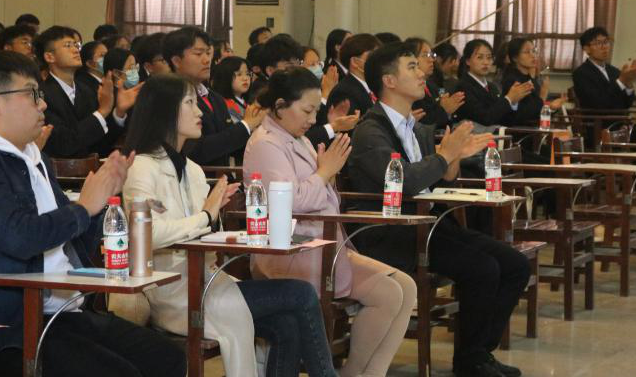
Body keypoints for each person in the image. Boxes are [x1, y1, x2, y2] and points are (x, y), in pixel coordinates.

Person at [0, 51, 185, 377]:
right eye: (32, 94)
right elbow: (19, 237)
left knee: (166, 357)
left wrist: (102, 204)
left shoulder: (31, 156)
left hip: (58, 310)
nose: (42, 105)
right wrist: (83, 207)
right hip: (5, 328)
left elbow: (73, 242)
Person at [120, 74, 335, 377]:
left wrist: (226, 226)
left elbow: (203, 233)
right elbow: (149, 234)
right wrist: (206, 216)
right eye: (190, 103)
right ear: (165, 110)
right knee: (301, 293)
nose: (199, 112)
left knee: (287, 324)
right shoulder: (141, 167)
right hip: (171, 290)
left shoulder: (193, 170)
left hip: (208, 280)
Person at [347, 42, 529, 377]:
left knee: (515, 265)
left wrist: (454, 155)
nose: (422, 74)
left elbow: (440, 177)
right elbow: (405, 182)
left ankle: (479, 353)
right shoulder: (370, 131)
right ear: (389, 81)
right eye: (412, 67)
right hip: (392, 233)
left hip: (428, 225)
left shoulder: (415, 128)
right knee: (483, 268)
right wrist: (445, 155)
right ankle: (471, 361)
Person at [243, 67, 416, 377]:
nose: (313, 120)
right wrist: (325, 171)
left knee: (406, 286)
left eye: (315, 111)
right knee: (388, 294)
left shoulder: (297, 139)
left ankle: (369, 374)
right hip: (290, 253)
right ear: (280, 106)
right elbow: (291, 202)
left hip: (322, 244)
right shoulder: (265, 145)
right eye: (307, 111)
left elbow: (321, 194)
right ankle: (355, 373)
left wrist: (327, 174)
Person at [163, 27, 265, 166]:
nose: (207, 60)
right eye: (198, 54)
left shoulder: (215, 98)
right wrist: (246, 125)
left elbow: (230, 147)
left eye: (208, 53)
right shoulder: (170, 96)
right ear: (176, 61)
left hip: (222, 176)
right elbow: (194, 151)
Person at [35, 26, 131, 159]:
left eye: (76, 45)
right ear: (49, 57)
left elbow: (102, 142)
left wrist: (119, 112)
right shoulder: (40, 95)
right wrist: (103, 111)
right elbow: (64, 143)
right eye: (68, 45)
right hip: (60, 169)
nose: (76, 50)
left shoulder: (86, 90)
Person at [452, 39, 533, 127]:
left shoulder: (492, 87)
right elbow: (485, 118)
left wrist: (514, 102)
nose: (486, 62)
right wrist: (509, 98)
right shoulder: (463, 87)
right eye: (480, 57)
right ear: (468, 61)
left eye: (489, 58)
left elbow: (504, 119)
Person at [500, 38, 566, 127]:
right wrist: (542, 96)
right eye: (527, 52)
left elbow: (536, 110)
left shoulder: (529, 78)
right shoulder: (512, 81)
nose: (533, 55)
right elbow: (523, 115)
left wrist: (551, 108)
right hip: (518, 131)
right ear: (515, 58)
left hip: (533, 129)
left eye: (534, 51)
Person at [572, 26, 636, 110]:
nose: (604, 47)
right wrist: (621, 81)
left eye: (606, 42)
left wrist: (628, 83)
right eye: (598, 43)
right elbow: (598, 103)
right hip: (596, 118)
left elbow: (628, 104)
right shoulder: (581, 73)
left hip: (620, 117)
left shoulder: (614, 71)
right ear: (587, 49)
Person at [404, 37, 464, 127]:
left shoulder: (431, 85)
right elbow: (423, 122)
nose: (431, 59)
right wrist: (444, 110)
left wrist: (447, 109)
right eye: (425, 55)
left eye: (431, 55)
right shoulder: (408, 90)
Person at [326, 33, 381, 117]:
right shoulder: (344, 92)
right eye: (372, 56)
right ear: (355, 62)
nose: (378, 61)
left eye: (379, 56)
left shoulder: (376, 88)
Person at [210, 56, 251, 123]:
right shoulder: (224, 105)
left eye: (247, 74)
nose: (245, 78)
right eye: (239, 74)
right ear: (226, 77)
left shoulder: (247, 101)